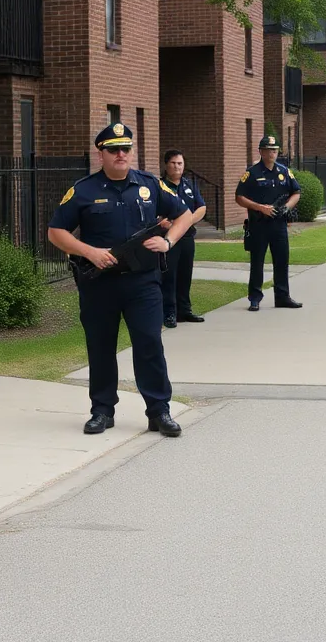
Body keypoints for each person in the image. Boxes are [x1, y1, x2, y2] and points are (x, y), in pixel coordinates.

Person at [47, 123, 194, 437]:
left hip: (143, 282)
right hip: (100, 283)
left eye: (126, 148)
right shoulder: (84, 190)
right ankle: (102, 411)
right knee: (100, 347)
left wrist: (168, 241)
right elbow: (55, 232)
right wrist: (90, 252)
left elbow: (185, 214)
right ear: (100, 153)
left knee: (149, 345)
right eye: (113, 149)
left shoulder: (149, 184)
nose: (121, 154)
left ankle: (159, 411)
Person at [235, 134, 303, 312]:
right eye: (268, 150)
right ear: (261, 151)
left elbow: (296, 192)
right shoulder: (252, 173)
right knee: (257, 262)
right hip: (259, 224)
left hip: (279, 224)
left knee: (282, 261)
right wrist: (259, 207)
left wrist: (287, 207)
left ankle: (282, 296)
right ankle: (255, 298)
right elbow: (239, 197)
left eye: (275, 150)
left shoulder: (284, 171)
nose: (272, 153)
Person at [159, 149, 207, 328]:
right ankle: (169, 313)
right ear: (166, 165)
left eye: (180, 163)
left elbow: (201, 208)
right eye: (173, 163)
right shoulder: (159, 187)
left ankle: (184, 311)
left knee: (185, 275)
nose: (177, 166)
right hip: (169, 240)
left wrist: (185, 223)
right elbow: (155, 215)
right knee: (169, 276)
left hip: (187, 238)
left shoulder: (189, 184)